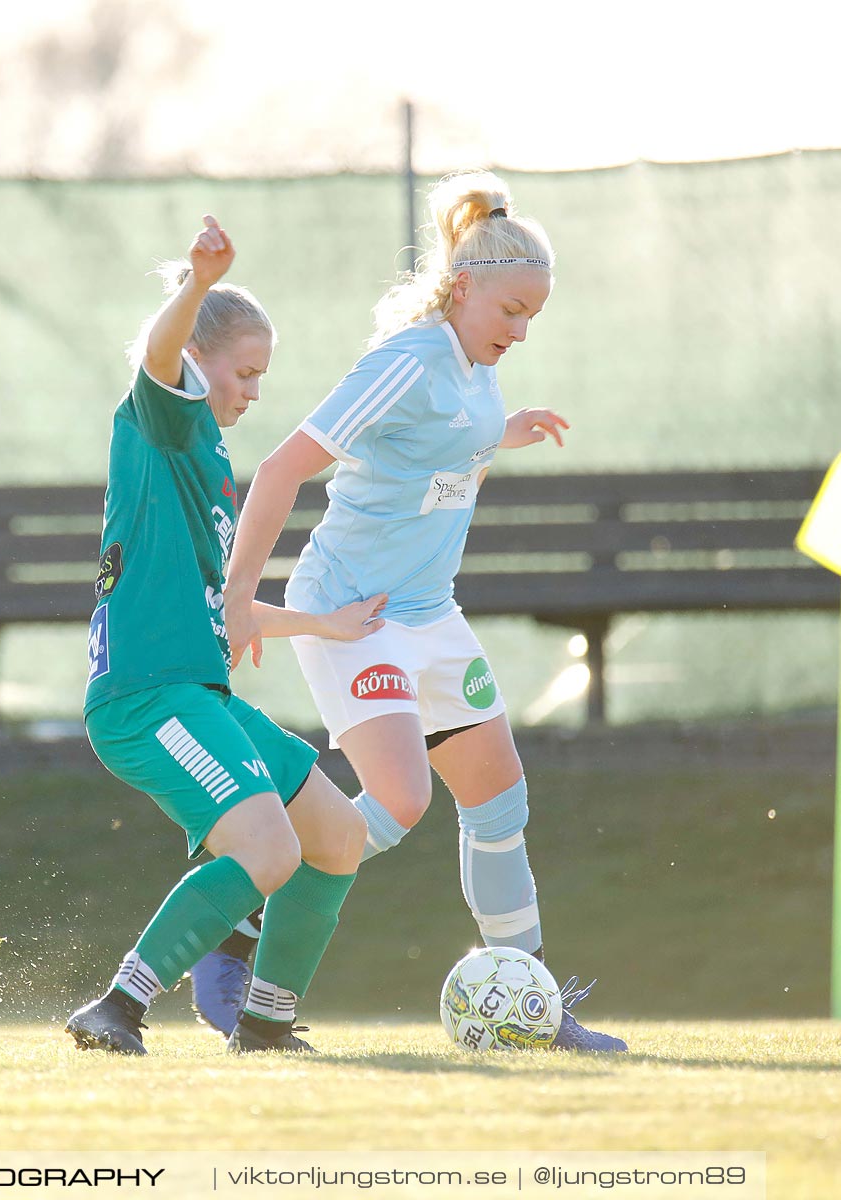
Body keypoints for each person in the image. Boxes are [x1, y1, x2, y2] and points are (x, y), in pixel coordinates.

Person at [200, 172, 627, 1052]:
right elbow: (281, 469)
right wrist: (242, 597)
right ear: (464, 288)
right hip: (351, 611)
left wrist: (504, 432)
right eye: (511, 311)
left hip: (432, 616)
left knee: (500, 799)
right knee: (399, 800)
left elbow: (447, 444)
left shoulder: (476, 373)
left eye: (531, 319)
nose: (519, 332)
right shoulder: (403, 361)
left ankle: (536, 1008)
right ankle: (235, 920)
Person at [64, 216, 388, 1056]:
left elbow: (226, 612)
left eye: (259, 376)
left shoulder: (204, 458)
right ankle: (118, 1008)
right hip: (145, 698)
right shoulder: (163, 423)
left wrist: (319, 623)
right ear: (194, 363)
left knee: (337, 833)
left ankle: (266, 1024)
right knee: (268, 849)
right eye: (242, 372)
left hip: (199, 692)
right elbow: (156, 361)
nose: (251, 390)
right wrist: (198, 287)